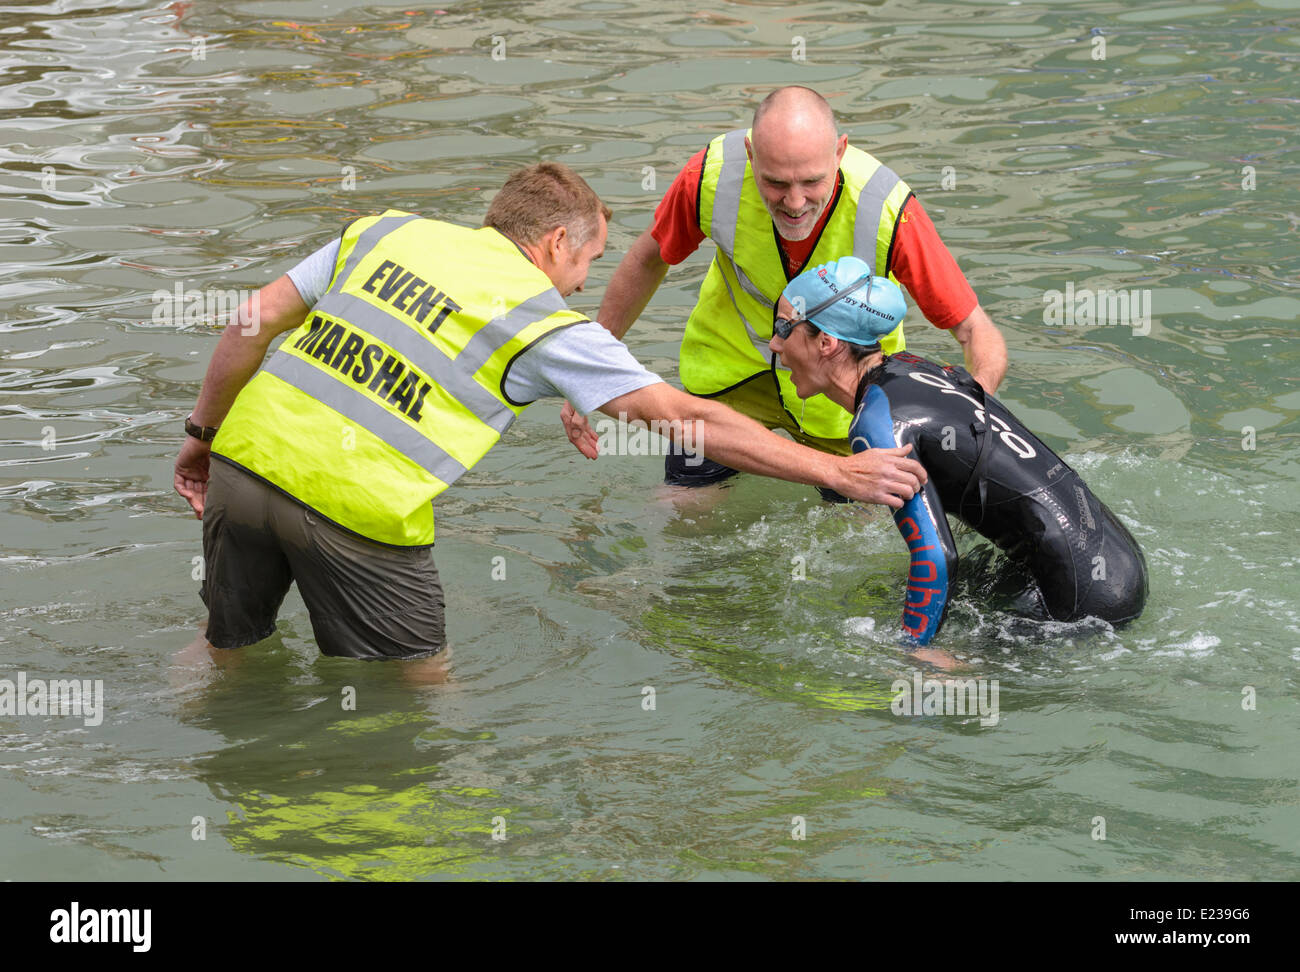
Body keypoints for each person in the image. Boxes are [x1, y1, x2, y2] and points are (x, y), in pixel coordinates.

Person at [173, 163, 928, 662]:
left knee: (224, 652)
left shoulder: (387, 231)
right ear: (557, 241)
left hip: (242, 467)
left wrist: (204, 436)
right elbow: (680, 414)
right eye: (586, 264)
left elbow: (253, 318)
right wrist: (838, 470)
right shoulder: (542, 321)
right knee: (414, 694)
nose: (578, 286)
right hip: (355, 511)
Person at [562, 85, 1008, 495]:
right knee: (683, 516)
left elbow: (975, 331)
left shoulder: (889, 209)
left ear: (840, 152)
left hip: (841, 392)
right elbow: (648, 259)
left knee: (856, 538)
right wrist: (591, 370)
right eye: (775, 183)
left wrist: (971, 416)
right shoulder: (708, 178)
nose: (794, 203)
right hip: (731, 370)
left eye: (811, 181)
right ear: (751, 155)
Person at [768, 256, 1148, 646]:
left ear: (827, 343)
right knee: (890, 594)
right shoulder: (911, 367)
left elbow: (935, 559)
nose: (774, 344)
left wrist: (914, 651)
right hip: (1118, 558)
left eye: (784, 328)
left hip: (1083, 604)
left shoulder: (878, 425)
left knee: (880, 632)